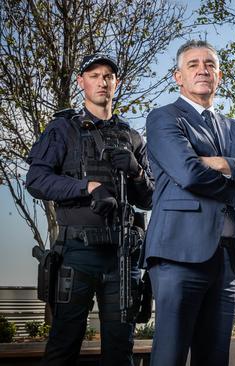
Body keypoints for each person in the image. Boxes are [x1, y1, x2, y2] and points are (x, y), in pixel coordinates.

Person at [25, 53, 154, 366]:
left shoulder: (132, 136)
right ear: (81, 82)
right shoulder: (62, 129)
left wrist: (137, 171)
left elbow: (149, 199)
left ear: (116, 83)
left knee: (120, 351)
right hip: (78, 254)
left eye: (108, 76)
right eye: (94, 75)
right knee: (63, 345)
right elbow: (36, 180)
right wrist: (88, 188)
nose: (102, 81)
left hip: (122, 258)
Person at [143, 39, 235, 366]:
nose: (202, 70)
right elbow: (189, 173)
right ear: (178, 77)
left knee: (214, 357)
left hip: (226, 257)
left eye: (209, 64)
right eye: (193, 64)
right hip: (177, 253)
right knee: (170, 356)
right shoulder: (164, 118)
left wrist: (221, 163)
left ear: (219, 76)